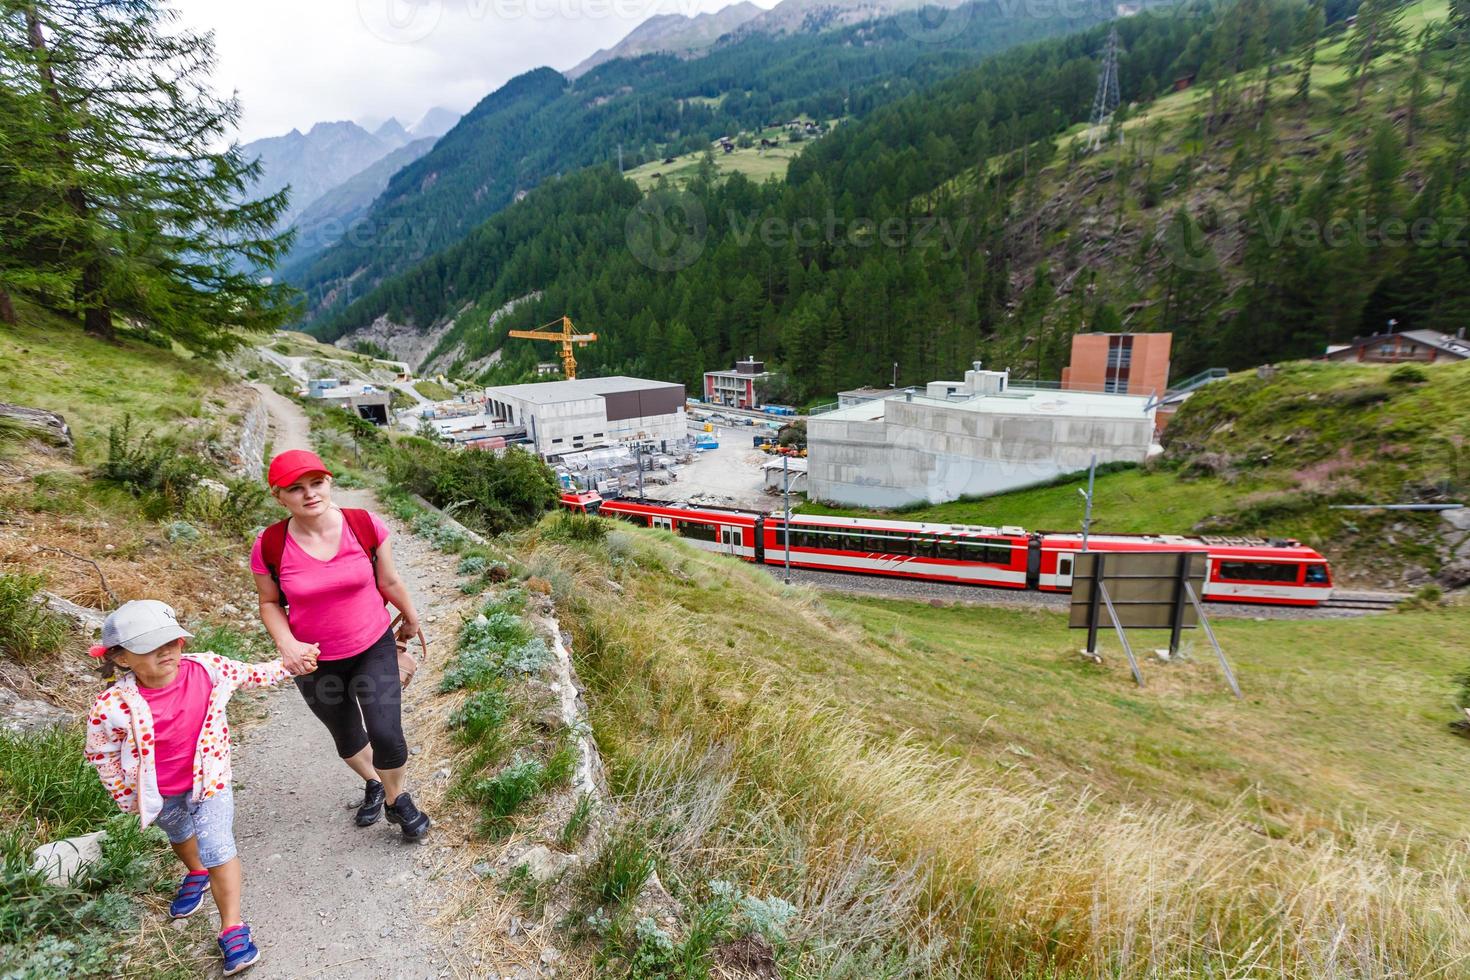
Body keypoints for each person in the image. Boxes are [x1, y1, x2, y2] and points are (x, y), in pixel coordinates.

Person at [85, 599, 308, 976]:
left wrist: (290, 665)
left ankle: (232, 927)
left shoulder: (208, 669)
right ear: (122, 659)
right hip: (159, 793)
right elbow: (101, 751)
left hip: (210, 782)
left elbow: (252, 674)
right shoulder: (112, 706)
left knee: (218, 846)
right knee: (180, 833)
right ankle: (195, 872)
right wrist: (125, 795)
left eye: (171, 640)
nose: (167, 651)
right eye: (150, 646)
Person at [249, 449, 431, 839]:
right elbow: (269, 603)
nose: (309, 494)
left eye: (317, 483)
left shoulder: (364, 525)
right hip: (315, 663)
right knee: (348, 737)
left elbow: (389, 581)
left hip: (372, 646)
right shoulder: (270, 545)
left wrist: (411, 616)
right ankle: (374, 781)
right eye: (295, 489)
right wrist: (287, 645)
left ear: (329, 482)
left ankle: (397, 800)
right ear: (279, 496)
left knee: (386, 733)